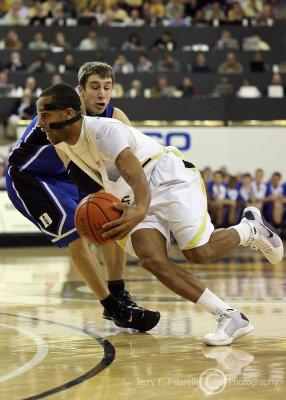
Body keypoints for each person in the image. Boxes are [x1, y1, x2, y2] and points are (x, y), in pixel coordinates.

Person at [36, 82, 284, 346]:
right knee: (150, 258)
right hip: (128, 192)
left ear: (68, 112)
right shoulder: (64, 144)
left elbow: (134, 171)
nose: (40, 123)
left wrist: (140, 209)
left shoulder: (103, 132)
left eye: (45, 115)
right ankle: (229, 316)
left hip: (166, 177)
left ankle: (250, 229)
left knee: (198, 253)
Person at [5, 62, 159, 332]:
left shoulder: (116, 117)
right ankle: (112, 307)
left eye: (107, 88)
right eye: (95, 88)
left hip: (66, 176)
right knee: (78, 230)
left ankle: (119, 291)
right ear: (81, 92)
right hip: (32, 178)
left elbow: (135, 162)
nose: (101, 94)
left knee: (111, 213)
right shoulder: (62, 116)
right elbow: (73, 167)